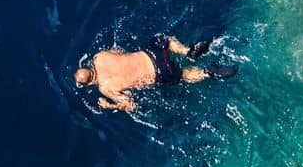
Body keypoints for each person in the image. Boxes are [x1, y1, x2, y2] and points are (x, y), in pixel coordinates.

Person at [75, 34, 234, 112]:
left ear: (89, 82)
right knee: (163, 39)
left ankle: (207, 73)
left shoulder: (105, 87)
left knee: (183, 75)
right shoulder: (100, 56)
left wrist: (108, 105)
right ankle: (188, 51)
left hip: (158, 73)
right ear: (88, 67)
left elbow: (130, 105)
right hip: (151, 54)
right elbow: (120, 51)